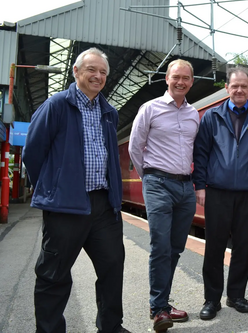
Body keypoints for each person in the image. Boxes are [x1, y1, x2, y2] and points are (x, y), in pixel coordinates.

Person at [23, 48, 129, 333]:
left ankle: (111, 327)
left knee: (112, 267)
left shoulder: (109, 112)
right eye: (92, 70)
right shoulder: (56, 105)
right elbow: (33, 153)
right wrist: (52, 188)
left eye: (103, 72)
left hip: (103, 205)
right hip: (65, 205)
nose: (98, 76)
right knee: (54, 275)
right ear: (76, 71)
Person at [193, 66, 248, 320]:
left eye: (244, 86)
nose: (239, 90)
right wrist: (200, 186)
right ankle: (212, 299)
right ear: (226, 88)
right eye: (234, 86)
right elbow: (201, 154)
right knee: (214, 247)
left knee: (244, 247)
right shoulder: (212, 117)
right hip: (217, 193)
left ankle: (236, 295)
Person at [128, 59, 198, 332]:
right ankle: (158, 309)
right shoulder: (150, 109)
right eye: (176, 76)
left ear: (191, 82)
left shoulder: (194, 114)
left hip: (185, 187)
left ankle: (162, 304)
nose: (180, 82)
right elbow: (135, 147)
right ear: (166, 78)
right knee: (160, 245)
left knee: (175, 248)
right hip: (158, 182)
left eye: (186, 78)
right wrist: (149, 179)